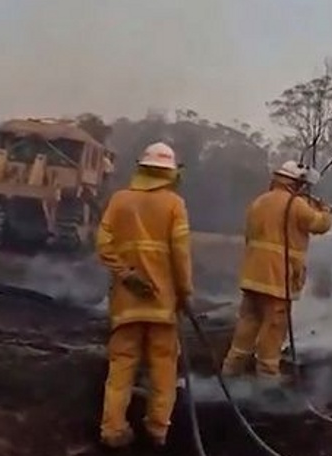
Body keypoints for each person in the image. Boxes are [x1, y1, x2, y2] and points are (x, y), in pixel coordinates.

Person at [95, 141, 193, 449]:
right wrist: (185, 293)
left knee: (121, 367)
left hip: (126, 305)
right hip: (163, 307)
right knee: (163, 369)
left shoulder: (120, 200)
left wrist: (126, 274)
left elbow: (103, 244)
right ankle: (157, 430)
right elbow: (181, 254)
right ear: (170, 173)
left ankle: (112, 430)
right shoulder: (175, 205)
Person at [221, 160, 332, 382]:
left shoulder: (259, 202)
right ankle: (267, 378)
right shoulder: (296, 204)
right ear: (297, 183)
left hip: (253, 277)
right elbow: (319, 225)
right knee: (274, 327)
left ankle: (231, 371)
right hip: (277, 279)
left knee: (247, 323)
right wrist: (326, 211)